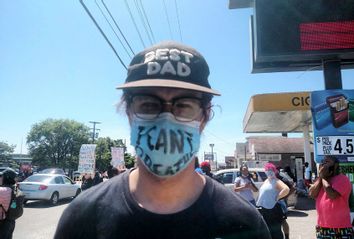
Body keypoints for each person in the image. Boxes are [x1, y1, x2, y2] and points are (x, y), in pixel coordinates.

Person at [54, 41, 271, 239]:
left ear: (204, 116)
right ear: (129, 113)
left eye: (184, 106)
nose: (166, 120)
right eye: (149, 104)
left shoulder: (245, 224)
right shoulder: (82, 217)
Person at [309, 156, 353, 238]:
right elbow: (312, 194)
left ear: (335, 165)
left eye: (327, 162)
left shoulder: (342, 179)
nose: (323, 164)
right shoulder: (320, 180)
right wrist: (321, 178)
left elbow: (332, 195)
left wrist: (323, 178)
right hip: (322, 227)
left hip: (340, 228)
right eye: (323, 162)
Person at [257, 163, 290, 239]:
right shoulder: (267, 181)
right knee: (267, 230)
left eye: (270, 170)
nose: (269, 171)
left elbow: (286, 189)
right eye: (267, 170)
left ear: (274, 171)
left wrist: (277, 197)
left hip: (273, 209)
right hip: (264, 208)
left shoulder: (276, 181)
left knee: (276, 231)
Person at [0, 168, 17, 239]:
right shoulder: (14, 189)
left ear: (6, 178)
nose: (0, 178)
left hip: (2, 222)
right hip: (10, 221)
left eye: (2, 177)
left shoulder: (3, 191)